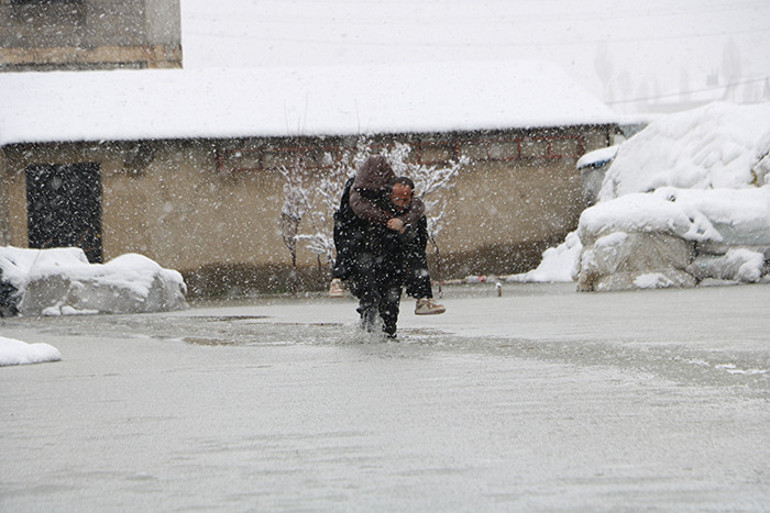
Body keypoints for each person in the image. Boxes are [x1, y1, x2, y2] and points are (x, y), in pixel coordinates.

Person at [330, 156, 444, 337]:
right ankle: (371, 334)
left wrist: (401, 224)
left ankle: (386, 333)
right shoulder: (358, 200)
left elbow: (416, 214)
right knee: (371, 300)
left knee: (388, 304)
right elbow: (352, 224)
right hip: (366, 257)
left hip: (390, 258)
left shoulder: (394, 198)